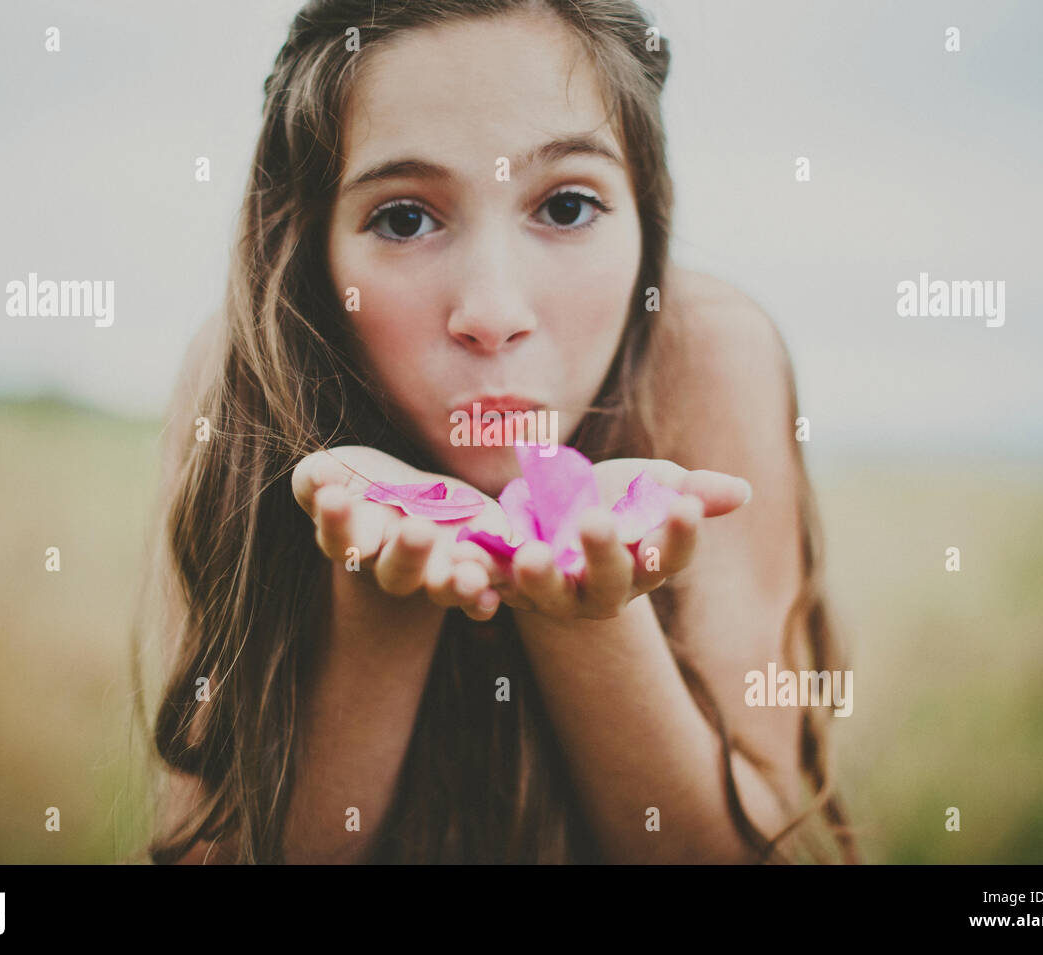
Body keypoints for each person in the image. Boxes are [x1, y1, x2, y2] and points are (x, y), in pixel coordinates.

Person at [139, 0, 856, 864]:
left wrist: (585, 609)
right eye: (404, 218)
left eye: (566, 207)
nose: (491, 311)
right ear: (313, 256)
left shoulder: (706, 354)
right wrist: (379, 600)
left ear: (648, 217)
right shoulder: (245, 375)